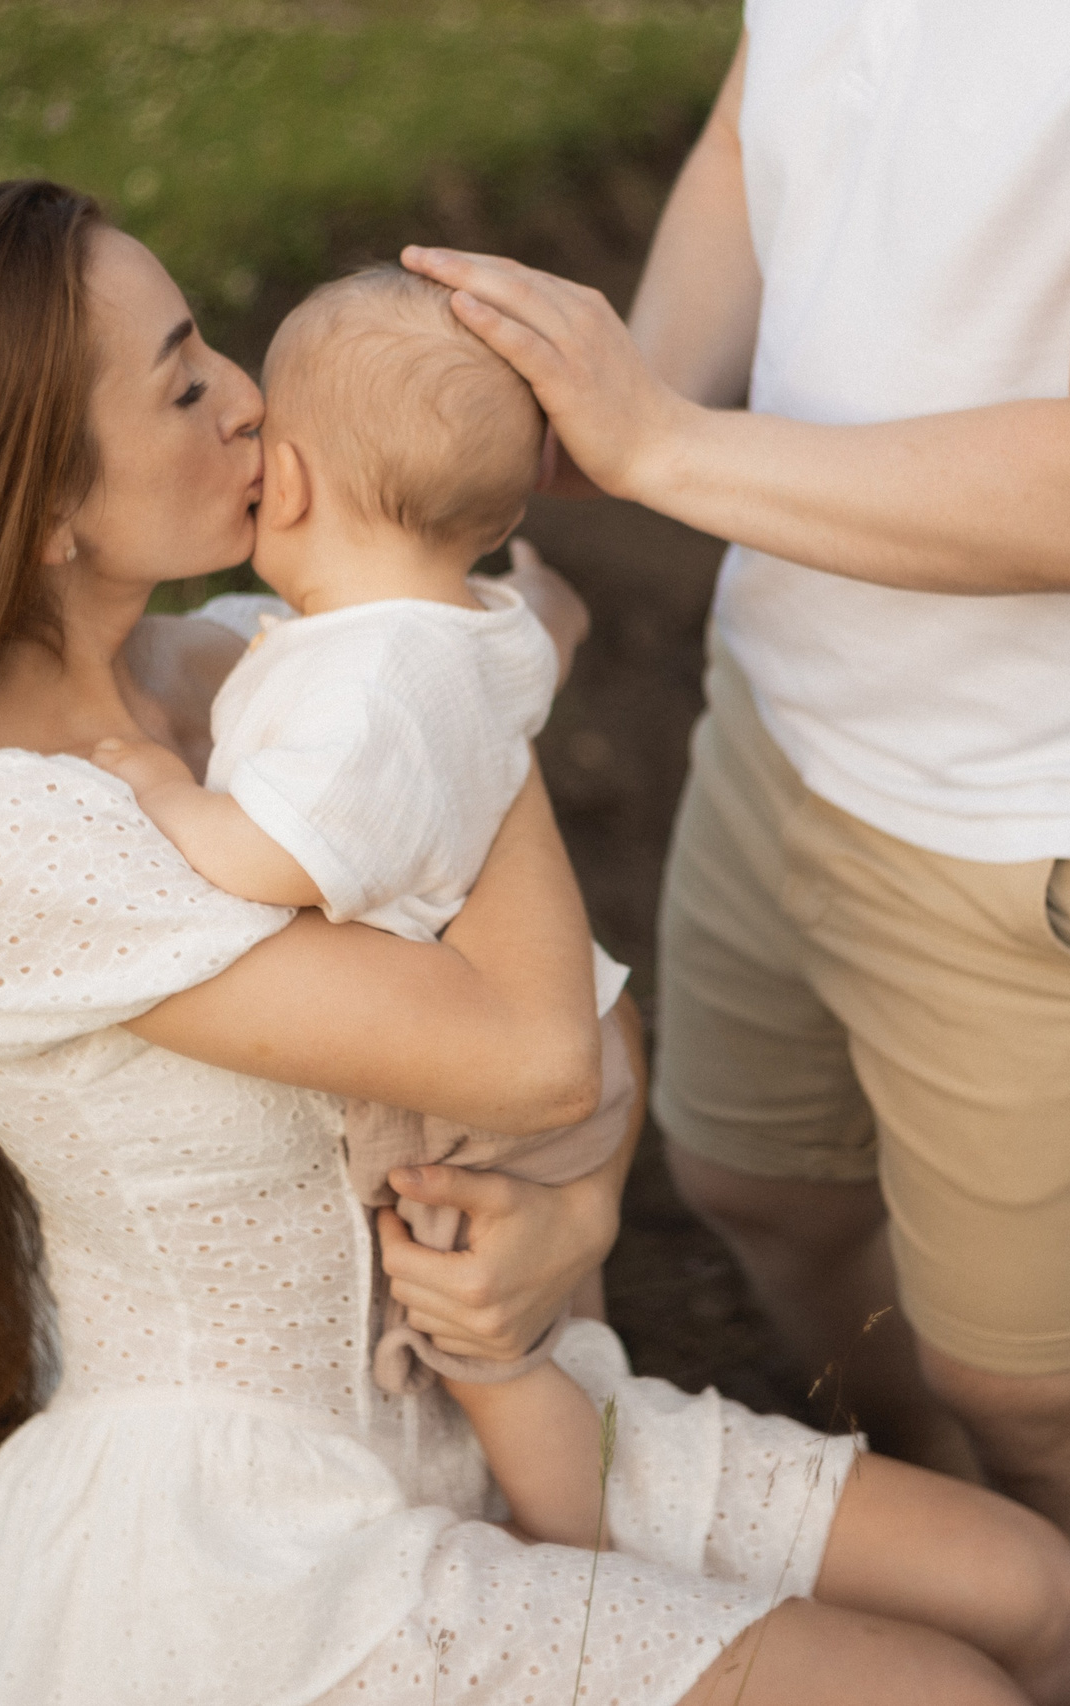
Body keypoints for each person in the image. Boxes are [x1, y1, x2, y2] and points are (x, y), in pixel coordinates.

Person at [0, 180, 1070, 1706]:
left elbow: (597, 1050)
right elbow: (536, 1047)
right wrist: (450, 650)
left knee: (1032, 1598)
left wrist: (574, 1224)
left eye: (214, 353)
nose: (250, 402)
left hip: (493, 1385)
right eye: (182, 383)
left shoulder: (243, 663)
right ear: (38, 511)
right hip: (246, 1534)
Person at [401, 4, 1070, 1702]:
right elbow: (773, 117)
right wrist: (617, 400)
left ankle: (1056, 1582)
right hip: (792, 701)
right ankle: (960, 1569)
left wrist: (661, 442)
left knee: (1058, 1400)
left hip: (1069, 813)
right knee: (760, 1189)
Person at [87, 263, 641, 1548]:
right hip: (586, 1026)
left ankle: (591, 1562)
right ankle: (597, 1410)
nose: (235, 420)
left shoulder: (368, 682)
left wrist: (171, 797)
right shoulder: (456, 620)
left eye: (256, 412)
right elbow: (542, 620)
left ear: (289, 479)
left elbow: (280, 854)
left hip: (487, 1099)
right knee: (563, 1321)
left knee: (494, 1359)